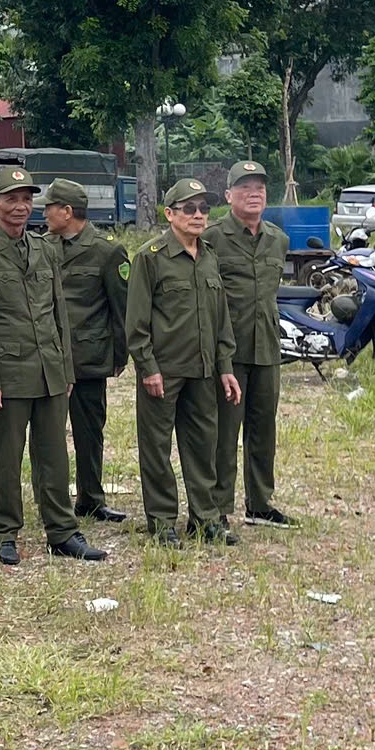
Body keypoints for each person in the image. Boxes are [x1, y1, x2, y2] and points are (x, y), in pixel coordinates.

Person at [0, 168, 106, 566]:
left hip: (49, 370)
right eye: (11, 199)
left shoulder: (45, 249)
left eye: (26, 199)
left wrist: (67, 370)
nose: (20, 207)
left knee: (54, 455)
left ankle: (62, 531)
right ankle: (4, 531)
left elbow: (59, 313)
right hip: (7, 373)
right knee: (6, 458)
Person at [124, 180, 241, 548]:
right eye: (189, 208)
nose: (198, 215)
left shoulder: (209, 256)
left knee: (204, 446)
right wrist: (148, 368)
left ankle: (205, 519)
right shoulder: (150, 257)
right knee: (157, 448)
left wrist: (225, 366)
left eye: (203, 208)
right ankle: (161, 521)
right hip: (165, 370)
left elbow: (221, 318)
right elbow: (136, 322)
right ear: (169, 214)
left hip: (203, 370)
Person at [209, 161, 293, 530]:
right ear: (229, 195)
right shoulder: (212, 239)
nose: (253, 193)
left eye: (259, 187)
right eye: (244, 187)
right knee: (224, 432)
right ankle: (217, 507)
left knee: (263, 429)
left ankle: (260, 503)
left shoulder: (278, 239)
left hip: (267, 348)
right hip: (229, 350)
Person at [42, 180, 131, 525]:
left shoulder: (107, 251)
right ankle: (50, 500)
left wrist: (119, 356)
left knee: (89, 431)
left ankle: (91, 498)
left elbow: (122, 308)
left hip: (87, 359)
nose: (44, 213)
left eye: (50, 207)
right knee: (47, 434)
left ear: (67, 211)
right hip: (49, 358)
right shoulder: (44, 246)